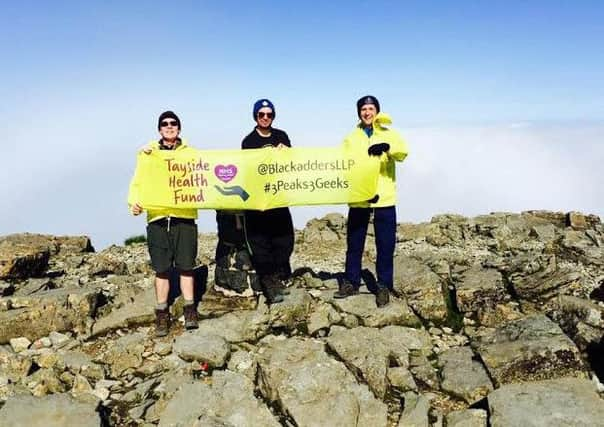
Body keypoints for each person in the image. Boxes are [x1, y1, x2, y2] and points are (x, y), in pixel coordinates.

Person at [334, 96, 409, 307]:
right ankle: (351, 282)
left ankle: (383, 286)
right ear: (359, 113)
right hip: (359, 197)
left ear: (377, 111)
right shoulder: (351, 137)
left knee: (385, 244)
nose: (367, 113)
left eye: (371, 108)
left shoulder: (388, 133)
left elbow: (403, 153)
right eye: (363, 109)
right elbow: (341, 162)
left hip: (384, 197)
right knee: (354, 243)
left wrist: (386, 147)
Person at [130, 111, 199, 336]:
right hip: (158, 218)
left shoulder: (191, 153)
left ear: (179, 128)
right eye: (165, 124)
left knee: (186, 266)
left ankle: (190, 310)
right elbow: (139, 180)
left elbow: (203, 177)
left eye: (173, 123)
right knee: (161, 269)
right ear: (159, 129)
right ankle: (162, 315)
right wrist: (134, 203)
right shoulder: (148, 153)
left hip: (184, 216)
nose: (169, 127)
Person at [241, 99, 294, 304]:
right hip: (257, 200)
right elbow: (247, 168)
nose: (265, 118)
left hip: (279, 197)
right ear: (255, 116)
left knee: (284, 239)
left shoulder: (282, 136)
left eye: (269, 114)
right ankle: (268, 280)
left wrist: (286, 153)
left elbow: (293, 162)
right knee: (260, 241)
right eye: (261, 114)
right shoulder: (248, 141)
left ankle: (282, 273)